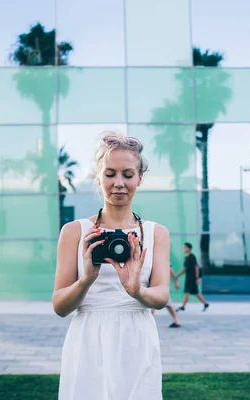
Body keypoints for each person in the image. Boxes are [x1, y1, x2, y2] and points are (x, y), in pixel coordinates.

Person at [53, 132, 170, 400]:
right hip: (88, 341)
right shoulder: (74, 231)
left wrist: (136, 290)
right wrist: (86, 280)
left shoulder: (157, 233)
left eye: (128, 175)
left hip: (138, 339)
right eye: (110, 173)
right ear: (98, 175)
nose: (119, 183)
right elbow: (60, 306)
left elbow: (161, 297)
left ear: (139, 178)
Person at [175, 243, 209, 312]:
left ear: (189, 248)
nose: (184, 248)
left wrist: (197, 278)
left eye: (185, 247)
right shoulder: (186, 257)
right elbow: (185, 268)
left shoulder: (192, 257)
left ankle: (205, 303)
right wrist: (178, 275)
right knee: (187, 292)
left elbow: (196, 267)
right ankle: (183, 306)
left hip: (192, 278)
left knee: (195, 292)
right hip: (188, 278)